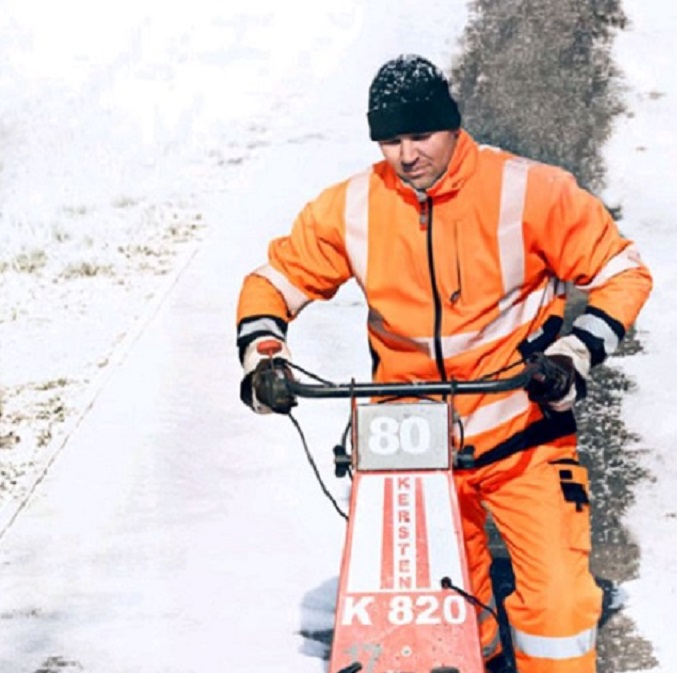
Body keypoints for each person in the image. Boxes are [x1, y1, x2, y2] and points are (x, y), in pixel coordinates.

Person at [236, 54, 652, 673]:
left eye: (420, 136)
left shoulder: (529, 191)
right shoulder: (353, 207)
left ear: (453, 126)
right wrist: (265, 357)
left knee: (560, 609)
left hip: (523, 429)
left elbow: (623, 272)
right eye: (391, 140)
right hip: (412, 445)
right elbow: (275, 282)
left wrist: (574, 353)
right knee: (440, 615)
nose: (406, 156)